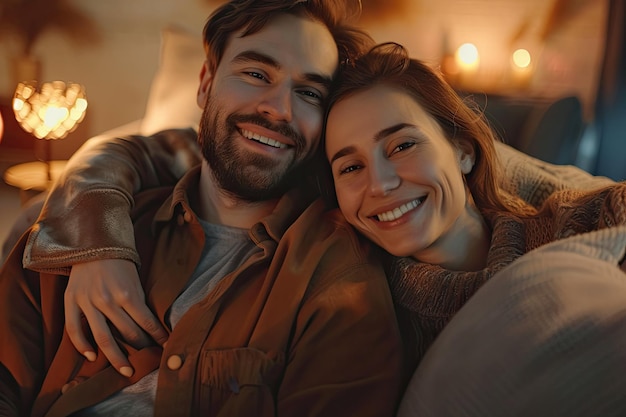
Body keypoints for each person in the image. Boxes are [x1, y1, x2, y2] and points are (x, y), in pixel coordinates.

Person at [0, 2, 407, 415]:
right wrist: (97, 246)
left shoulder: (339, 282)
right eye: (255, 74)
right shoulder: (93, 223)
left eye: (308, 93)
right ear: (204, 84)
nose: (279, 109)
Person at [321, 42, 626, 373]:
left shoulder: (580, 221)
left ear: (463, 151)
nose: (379, 184)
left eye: (403, 146)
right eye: (350, 168)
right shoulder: (371, 335)